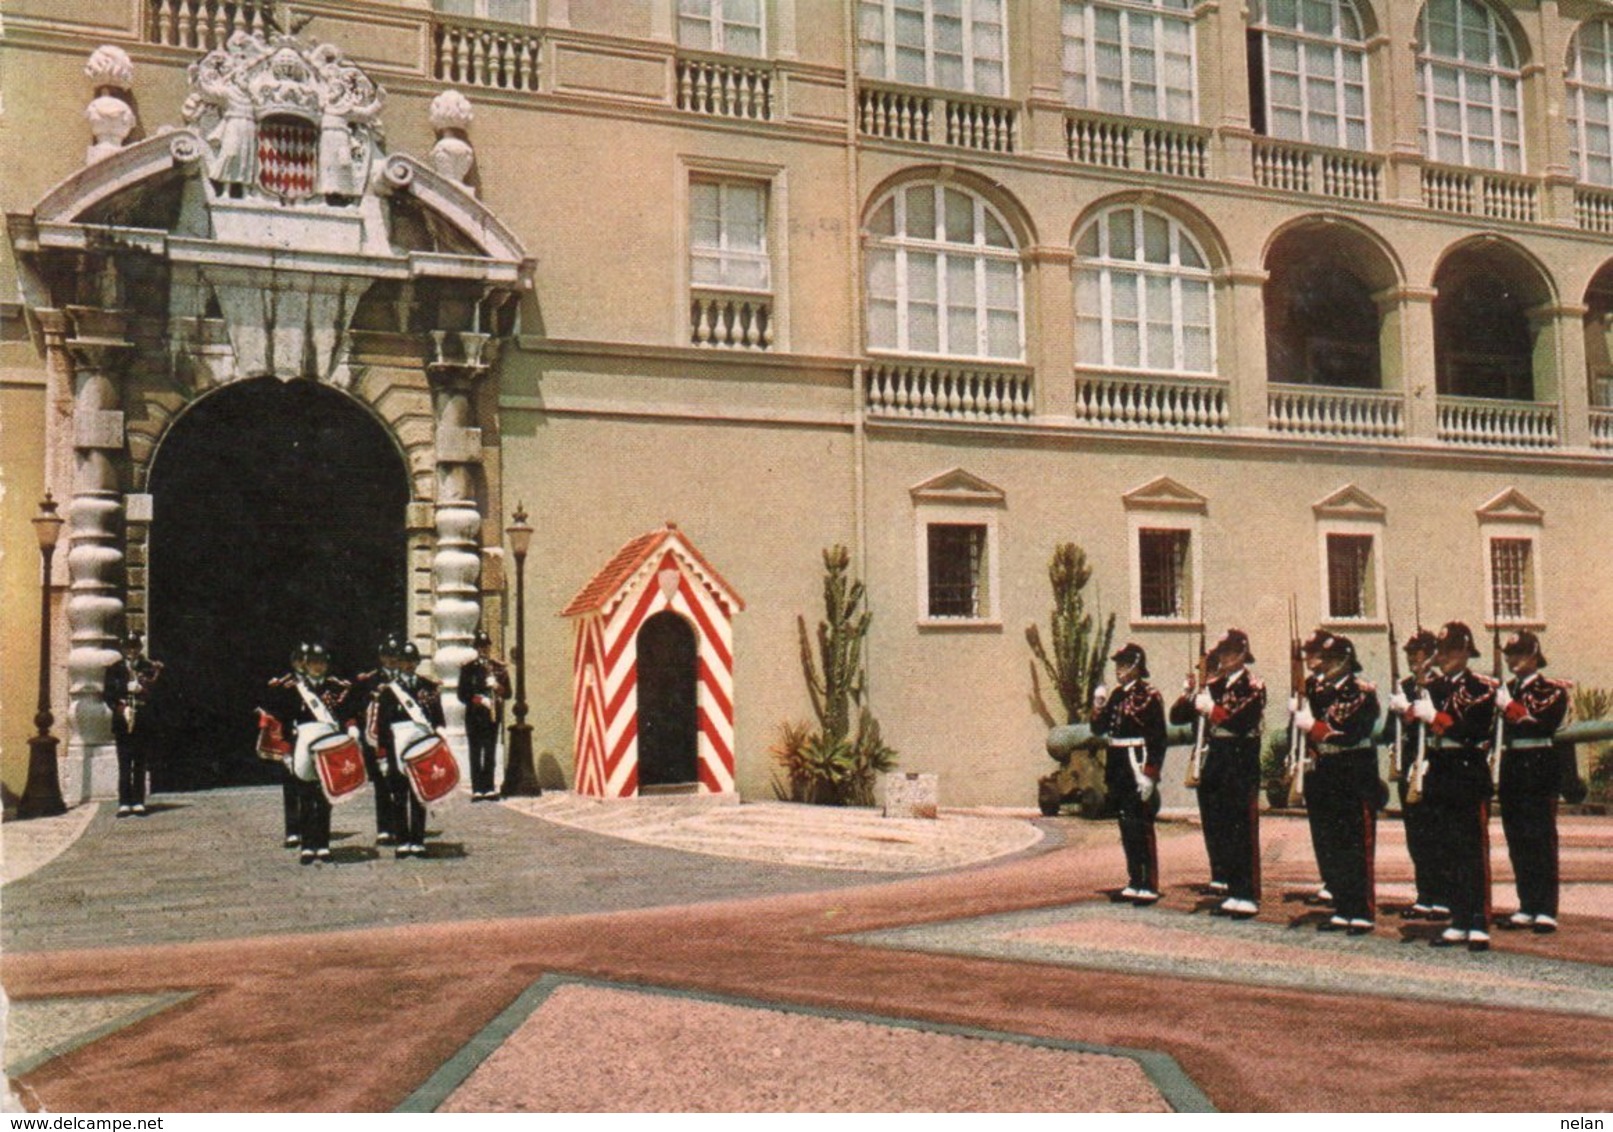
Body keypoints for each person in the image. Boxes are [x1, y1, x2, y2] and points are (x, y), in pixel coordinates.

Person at [1411, 621, 1498, 952]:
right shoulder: (1434, 688)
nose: (1443, 657)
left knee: (1471, 850)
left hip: (1467, 769)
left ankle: (1478, 920)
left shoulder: (1481, 687)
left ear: (1465, 651)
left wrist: (1432, 716)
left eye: (1449, 651)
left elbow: (1467, 727)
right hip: (1442, 770)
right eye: (1440, 652)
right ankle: (1459, 918)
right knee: (1446, 849)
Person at [1171, 628, 1266, 918]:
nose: (1222, 658)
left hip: (1240, 759)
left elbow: (1239, 720)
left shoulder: (1253, 685)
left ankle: (1247, 892)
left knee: (1243, 829)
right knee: (1224, 828)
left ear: (1241, 655)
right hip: (1218, 760)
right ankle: (1233, 890)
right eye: (1220, 654)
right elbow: (1177, 717)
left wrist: (1212, 709)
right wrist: (1189, 694)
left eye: (1227, 653)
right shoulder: (1215, 685)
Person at [1295, 632, 1382, 935]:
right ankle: (1344, 907)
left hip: (1353, 771)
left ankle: (1361, 911)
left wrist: (1314, 727)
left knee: (1355, 843)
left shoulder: (1360, 691)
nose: (1324, 663)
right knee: (1330, 843)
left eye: (1331, 658)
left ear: (1346, 660)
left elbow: (1348, 731)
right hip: (1325, 770)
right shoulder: (1316, 690)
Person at [1496, 630, 1571, 934]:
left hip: (1539, 769)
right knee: (1518, 840)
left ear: (1534, 655)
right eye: (1510, 654)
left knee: (1540, 839)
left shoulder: (1551, 689)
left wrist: (1509, 708)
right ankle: (1527, 904)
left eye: (1520, 653)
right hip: (1513, 768)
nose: (1514, 660)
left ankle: (1546, 909)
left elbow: (1541, 721)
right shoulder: (1507, 689)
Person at [1091, 643, 1168, 905]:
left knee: (1141, 824)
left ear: (1136, 666)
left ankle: (1149, 882)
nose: (1119, 670)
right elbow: (1099, 729)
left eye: (1124, 664)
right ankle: (1134, 879)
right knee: (1126, 823)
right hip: (1118, 764)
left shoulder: (1149, 695)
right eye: (1117, 665)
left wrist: (1151, 773)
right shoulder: (1116, 695)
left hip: (1137, 760)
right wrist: (1098, 704)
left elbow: (1158, 738)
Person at [269, 642, 354, 865]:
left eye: (321, 663)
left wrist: (352, 728)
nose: (318, 667)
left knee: (325, 797)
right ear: (305, 665)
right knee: (305, 796)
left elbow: (346, 713)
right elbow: (285, 724)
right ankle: (308, 846)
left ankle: (323, 845)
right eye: (313, 663)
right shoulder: (293, 689)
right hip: (304, 745)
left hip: (329, 745)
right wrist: (287, 752)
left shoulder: (336, 688)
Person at [1386, 629, 1448, 921]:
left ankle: (1445, 897)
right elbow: (1389, 731)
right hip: (1410, 764)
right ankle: (1426, 894)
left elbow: (1444, 724)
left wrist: (1411, 711)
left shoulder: (1442, 685)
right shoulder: (1405, 686)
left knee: (1439, 833)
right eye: (1410, 653)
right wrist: (1397, 711)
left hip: (1436, 765)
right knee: (1417, 835)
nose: (1413, 658)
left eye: (1419, 652)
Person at [369, 640, 446, 858]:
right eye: (404, 661)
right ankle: (403, 840)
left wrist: (441, 733)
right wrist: (383, 756)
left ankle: (418, 840)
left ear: (417, 663)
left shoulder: (428, 688)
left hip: (421, 747)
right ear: (399, 663)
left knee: (420, 794)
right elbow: (382, 726)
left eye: (412, 661)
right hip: (397, 749)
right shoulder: (389, 692)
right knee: (399, 795)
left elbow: (438, 718)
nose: (408, 665)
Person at [348, 636, 402, 847]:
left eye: (395, 656)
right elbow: (356, 705)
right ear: (381, 657)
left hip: (400, 736)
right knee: (381, 783)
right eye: (388, 656)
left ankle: (400, 827)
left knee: (399, 783)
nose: (392, 660)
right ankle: (384, 829)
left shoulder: (406, 678)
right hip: (376, 738)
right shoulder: (369, 681)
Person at [102, 632, 163, 817]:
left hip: (142, 719)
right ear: (123, 649)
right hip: (123, 718)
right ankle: (124, 802)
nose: (132, 651)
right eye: (128, 648)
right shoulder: (115, 668)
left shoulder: (148, 667)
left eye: (135, 647)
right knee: (124, 762)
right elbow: (108, 694)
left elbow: (156, 691)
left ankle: (138, 801)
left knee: (140, 762)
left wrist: (143, 689)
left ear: (140, 648)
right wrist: (123, 695)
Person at [458, 629, 511, 801]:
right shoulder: (468, 668)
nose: (483, 650)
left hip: (492, 716)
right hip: (474, 715)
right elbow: (462, 694)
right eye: (480, 647)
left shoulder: (498, 668)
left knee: (490, 751)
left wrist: (497, 686)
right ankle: (477, 788)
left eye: (485, 647)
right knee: (475, 751)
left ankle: (489, 787)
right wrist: (479, 700)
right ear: (476, 648)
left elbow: (508, 693)